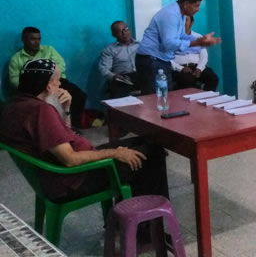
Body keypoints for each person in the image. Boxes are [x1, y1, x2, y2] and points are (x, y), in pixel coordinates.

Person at [0, 59, 169, 204]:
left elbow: (66, 135)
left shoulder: (15, 105)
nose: (60, 85)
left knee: (145, 142)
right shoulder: (41, 111)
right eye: (58, 81)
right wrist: (115, 153)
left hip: (57, 175)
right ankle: (147, 225)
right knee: (153, 154)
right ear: (48, 86)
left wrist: (66, 109)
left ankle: (127, 216)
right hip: (73, 179)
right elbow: (70, 159)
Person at [135, 0, 221, 95]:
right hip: (151, 59)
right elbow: (169, 43)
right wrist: (197, 43)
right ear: (186, 4)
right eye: (196, 5)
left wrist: (201, 40)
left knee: (166, 97)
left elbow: (180, 36)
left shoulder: (180, 15)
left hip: (161, 60)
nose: (198, 9)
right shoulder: (170, 15)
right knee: (155, 97)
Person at [8, 27, 87, 128]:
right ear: (23, 40)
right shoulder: (16, 58)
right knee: (42, 104)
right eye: (33, 39)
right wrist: (36, 83)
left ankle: (74, 125)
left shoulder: (49, 50)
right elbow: (14, 79)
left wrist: (47, 78)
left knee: (80, 95)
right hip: (31, 87)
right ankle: (52, 127)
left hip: (56, 81)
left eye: (39, 39)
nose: (37, 42)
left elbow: (60, 65)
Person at [170, 15, 219, 92]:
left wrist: (199, 68)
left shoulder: (198, 37)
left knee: (213, 78)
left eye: (186, 20)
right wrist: (181, 68)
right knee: (187, 80)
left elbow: (204, 56)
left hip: (196, 66)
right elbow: (167, 58)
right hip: (180, 68)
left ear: (192, 22)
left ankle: (205, 97)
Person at [99, 21, 140, 98]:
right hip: (122, 80)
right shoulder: (109, 50)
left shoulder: (140, 45)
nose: (124, 33)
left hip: (141, 77)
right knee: (121, 97)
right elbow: (104, 69)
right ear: (114, 35)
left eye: (125, 29)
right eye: (120, 31)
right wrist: (115, 76)